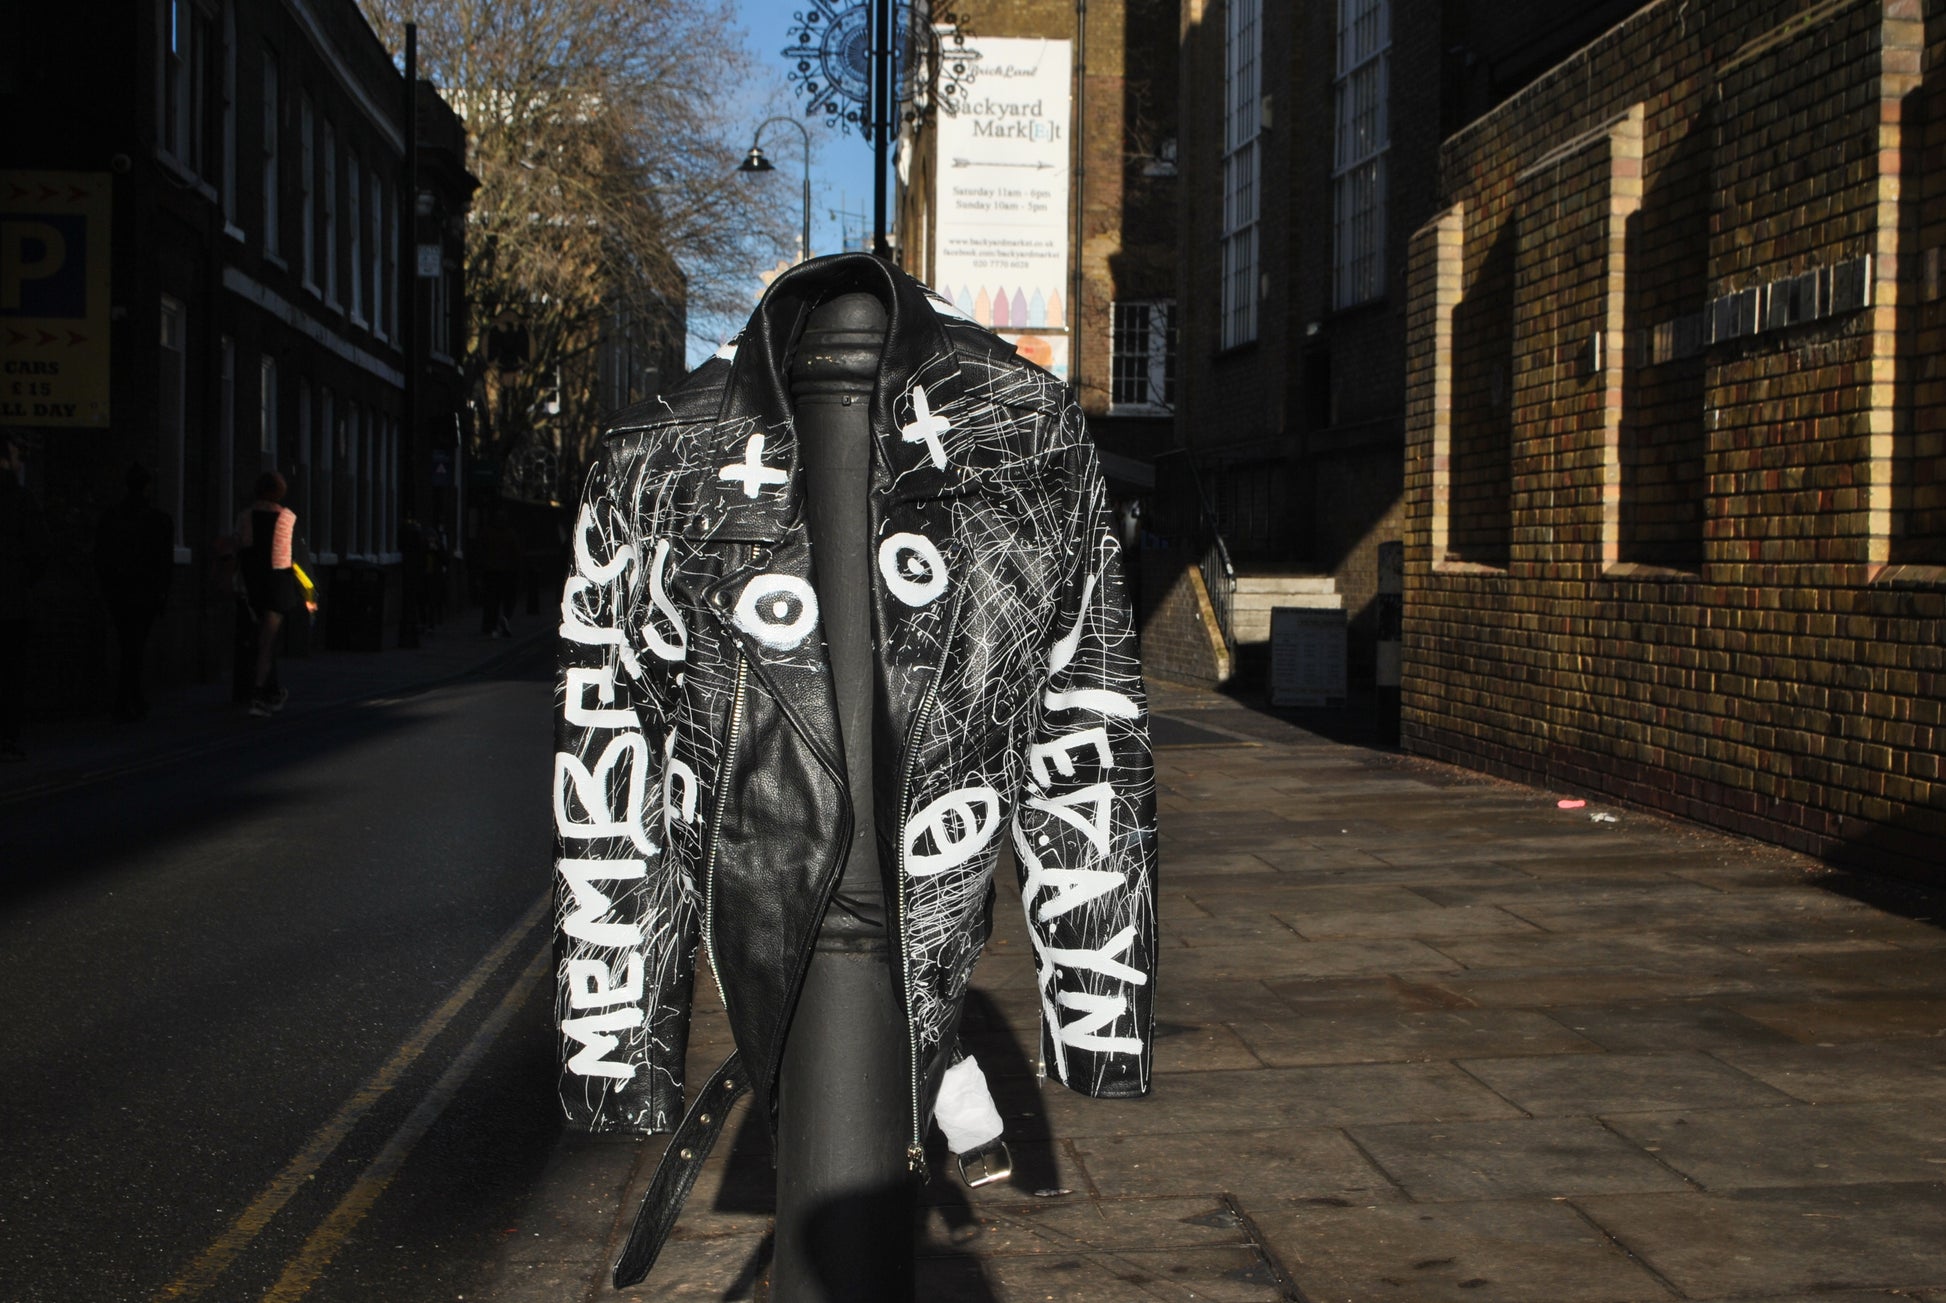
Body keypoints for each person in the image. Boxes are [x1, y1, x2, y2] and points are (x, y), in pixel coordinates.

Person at [95, 464, 175, 721]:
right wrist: (163, 592)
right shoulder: (159, 521)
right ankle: (130, 697)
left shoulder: (111, 517)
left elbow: (101, 554)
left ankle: (127, 697)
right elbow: (164, 561)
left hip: (119, 589)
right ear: (148, 487)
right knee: (136, 643)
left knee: (127, 641)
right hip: (145, 590)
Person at [235, 472, 300, 717]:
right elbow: (289, 560)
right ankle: (259, 694)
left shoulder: (245, 517)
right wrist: (309, 593)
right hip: (276, 588)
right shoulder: (285, 518)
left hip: (252, 586)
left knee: (261, 640)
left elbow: (240, 551)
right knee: (267, 642)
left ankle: (270, 690)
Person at [0, 438, 49, 759]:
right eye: (16, 456)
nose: (19, 463)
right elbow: (39, 551)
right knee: (10, 671)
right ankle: (6, 737)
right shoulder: (20, 500)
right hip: (11, 602)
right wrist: (23, 580)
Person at [478, 505, 522, 637]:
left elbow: (482, 551)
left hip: (491, 571)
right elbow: (516, 554)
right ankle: (504, 619)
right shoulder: (510, 534)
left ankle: (490, 626)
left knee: (492, 600)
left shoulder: (488, 533)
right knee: (507, 600)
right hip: (506, 572)